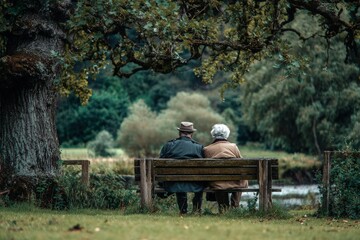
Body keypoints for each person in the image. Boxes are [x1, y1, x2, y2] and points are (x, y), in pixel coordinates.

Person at [159, 121, 205, 214]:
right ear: (191, 134)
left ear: (180, 133)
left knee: (179, 180)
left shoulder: (169, 145)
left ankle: (183, 210)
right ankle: (196, 210)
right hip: (196, 184)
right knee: (199, 180)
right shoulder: (199, 147)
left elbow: (160, 163)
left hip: (172, 183)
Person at [203, 123, 248, 213]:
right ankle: (235, 206)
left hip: (217, 182)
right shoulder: (233, 147)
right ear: (226, 134)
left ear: (213, 134)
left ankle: (223, 208)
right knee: (242, 179)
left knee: (218, 181)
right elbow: (242, 164)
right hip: (235, 182)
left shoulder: (207, 149)